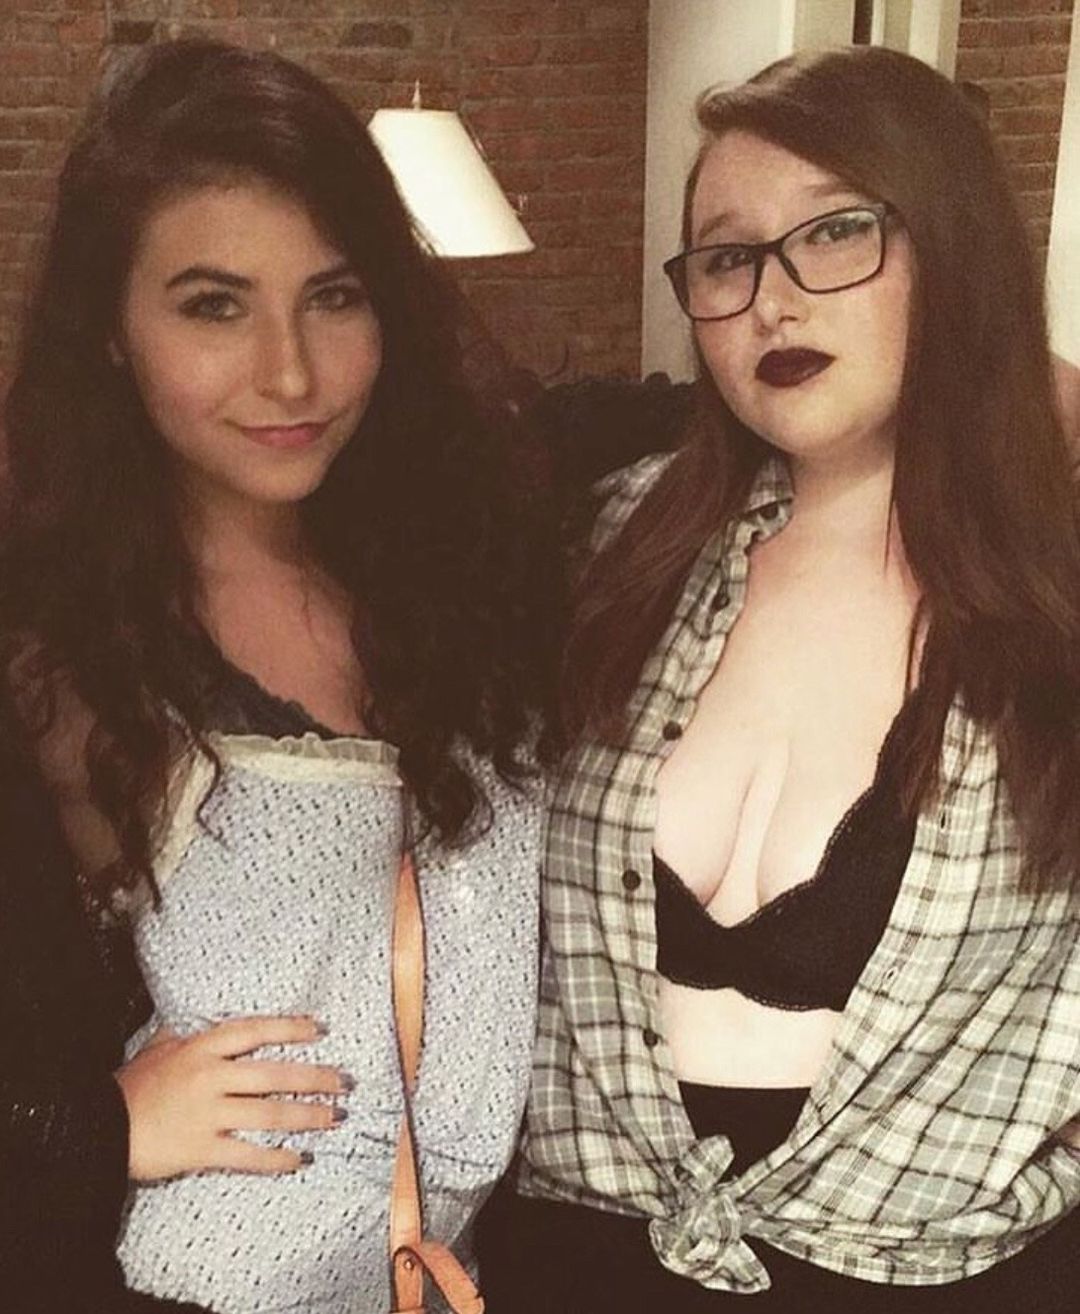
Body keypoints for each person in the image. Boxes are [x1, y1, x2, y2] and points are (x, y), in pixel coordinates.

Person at [478, 45, 1080, 1311]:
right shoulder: (612, 545)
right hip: (579, 1257)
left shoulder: (1058, 584)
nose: (773, 301)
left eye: (836, 232)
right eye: (726, 257)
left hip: (927, 1269)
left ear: (953, 250)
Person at [0, 37, 555, 1313]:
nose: (291, 373)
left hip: (450, 1276)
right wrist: (87, 1127)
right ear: (110, 330)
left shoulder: (460, 555)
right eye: (214, 305)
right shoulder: (49, 643)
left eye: (334, 296)